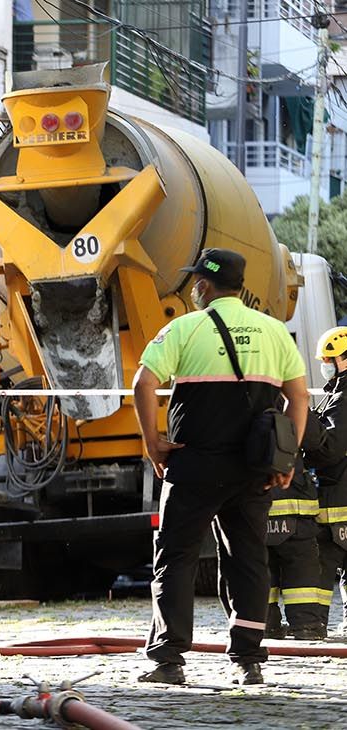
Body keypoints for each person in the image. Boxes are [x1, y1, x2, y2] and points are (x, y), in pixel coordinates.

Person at [132, 248, 308, 686]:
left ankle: (169, 660)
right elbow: (299, 397)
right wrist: (286, 456)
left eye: (196, 280)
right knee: (248, 559)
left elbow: (144, 382)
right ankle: (249, 660)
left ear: (205, 286)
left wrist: (153, 442)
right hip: (254, 466)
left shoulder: (184, 328)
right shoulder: (274, 331)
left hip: (194, 463)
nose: (194, 286)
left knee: (176, 556)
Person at [300, 326, 347, 637]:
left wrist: (306, 420)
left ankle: (310, 625)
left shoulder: (343, 397)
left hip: (339, 496)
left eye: (328, 359)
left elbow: (329, 449)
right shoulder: (337, 393)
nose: (324, 365)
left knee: (324, 559)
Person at [265, 456, 322, 641]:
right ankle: (305, 626)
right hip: (295, 506)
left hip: (256, 506)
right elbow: (318, 444)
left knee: (258, 570)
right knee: (301, 569)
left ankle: (264, 625)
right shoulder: (294, 426)